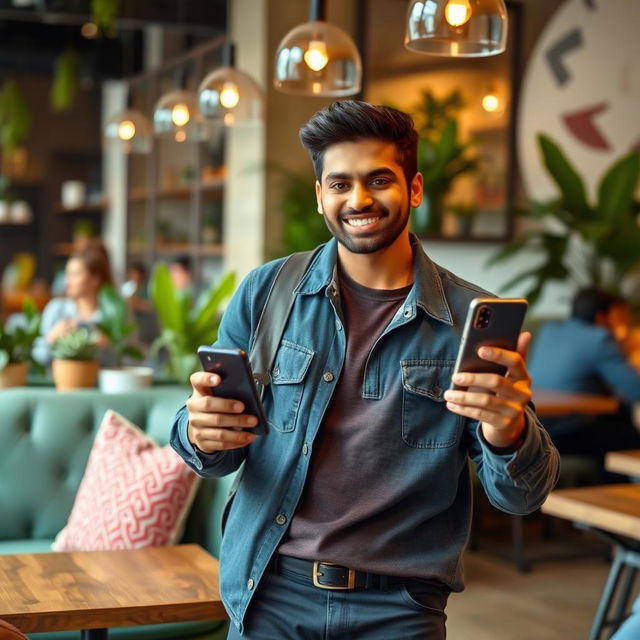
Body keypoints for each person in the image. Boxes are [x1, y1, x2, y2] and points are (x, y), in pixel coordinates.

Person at [170, 100, 559, 639]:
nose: (358, 200)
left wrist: (507, 430)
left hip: (400, 610)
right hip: (269, 595)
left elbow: (522, 497)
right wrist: (200, 431)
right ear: (320, 195)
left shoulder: (470, 321)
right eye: (340, 184)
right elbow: (212, 454)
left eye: (379, 180)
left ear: (414, 188)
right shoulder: (266, 293)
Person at [528, 287, 640, 459]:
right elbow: (635, 390)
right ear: (601, 317)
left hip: (535, 428)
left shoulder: (549, 330)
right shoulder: (599, 338)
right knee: (630, 437)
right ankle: (613, 485)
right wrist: (623, 347)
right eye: (620, 318)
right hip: (567, 428)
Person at [32, 241, 114, 366]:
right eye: (67, 274)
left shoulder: (113, 314)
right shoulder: (57, 309)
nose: (67, 281)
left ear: (94, 279)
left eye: (74, 275)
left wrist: (108, 346)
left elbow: (132, 359)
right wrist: (52, 338)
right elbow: (36, 359)